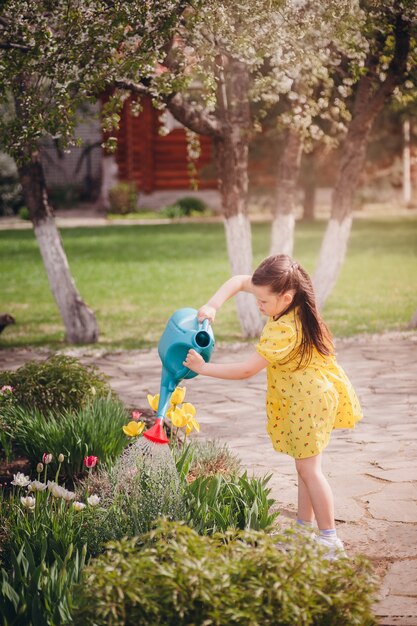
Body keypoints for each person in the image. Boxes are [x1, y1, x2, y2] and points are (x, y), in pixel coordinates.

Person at [183, 254, 363, 560]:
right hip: (306, 397)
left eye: (264, 302)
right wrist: (213, 304)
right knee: (304, 467)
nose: (259, 306)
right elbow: (240, 282)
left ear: (286, 298)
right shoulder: (287, 305)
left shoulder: (285, 330)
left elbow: (246, 370)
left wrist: (203, 369)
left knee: (310, 470)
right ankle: (304, 531)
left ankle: (330, 540)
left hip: (310, 400)